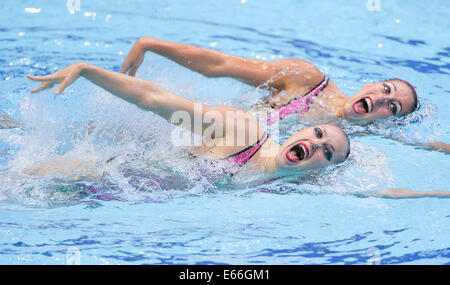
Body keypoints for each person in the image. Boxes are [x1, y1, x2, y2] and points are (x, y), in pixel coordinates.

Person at [26, 62, 449, 199]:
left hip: (119, 196)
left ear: (322, 170)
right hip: (96, 173)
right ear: (300, 133)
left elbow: (380, 194)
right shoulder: (242, 131)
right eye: (319, 135)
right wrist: (86, 71)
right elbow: (155, 99)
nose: (317, 145)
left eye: (328, 151)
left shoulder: (295, 187)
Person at [119, 36, 450, 153]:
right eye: (386, 90)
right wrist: (151, 44)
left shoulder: (342, 141)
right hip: (190, 132)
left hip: (223, 162)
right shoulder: (306, 79)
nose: (381, 100)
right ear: (371, 85)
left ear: (386, 122)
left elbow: (420, 145)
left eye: (392, 108)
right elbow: (221, 64)